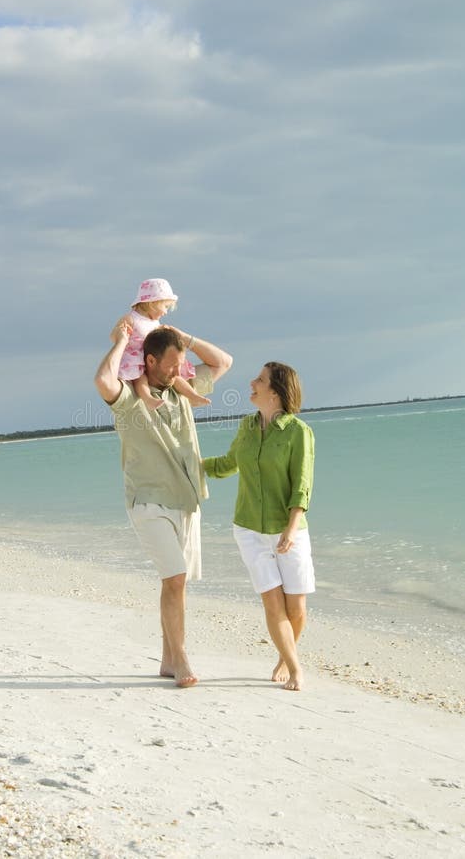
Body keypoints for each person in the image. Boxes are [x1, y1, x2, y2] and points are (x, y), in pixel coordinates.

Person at [94, 316, 232, 687]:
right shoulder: (128, 399)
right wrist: (123, 342)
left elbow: (223, 362)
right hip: (148, 501)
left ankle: (168, 660)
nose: (176, 370)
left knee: (176, 583)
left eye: (179, 363)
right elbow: (103, 380)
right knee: (174, 578)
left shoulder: (179, 387)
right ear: (150, 361)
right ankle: (182, 658)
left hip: (186, 499)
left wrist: (181, 337)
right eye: (169, 363)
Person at [203, 362, 315, 691]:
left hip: (289, 530)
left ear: (276, 391)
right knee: (272, 602)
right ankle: (295, 668)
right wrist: (189, 464)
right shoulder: (247, 427)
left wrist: (291, 530)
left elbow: (302, 486)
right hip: (249, 529)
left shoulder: (299, 432)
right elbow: (227, 465)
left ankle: (284, 655)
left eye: (260, 380)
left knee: (296, 606)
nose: (252, 383)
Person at [118, 278, 211, 411]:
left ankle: (193, 395)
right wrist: (123, 335)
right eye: (165, 306)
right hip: (136, 356)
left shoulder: (155, 322)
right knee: (140, 378)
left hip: (154, 355)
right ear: (152, 303)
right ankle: (147, 398)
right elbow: (114, 335)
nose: (166, 312)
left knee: (176, 375)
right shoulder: (132, 318)